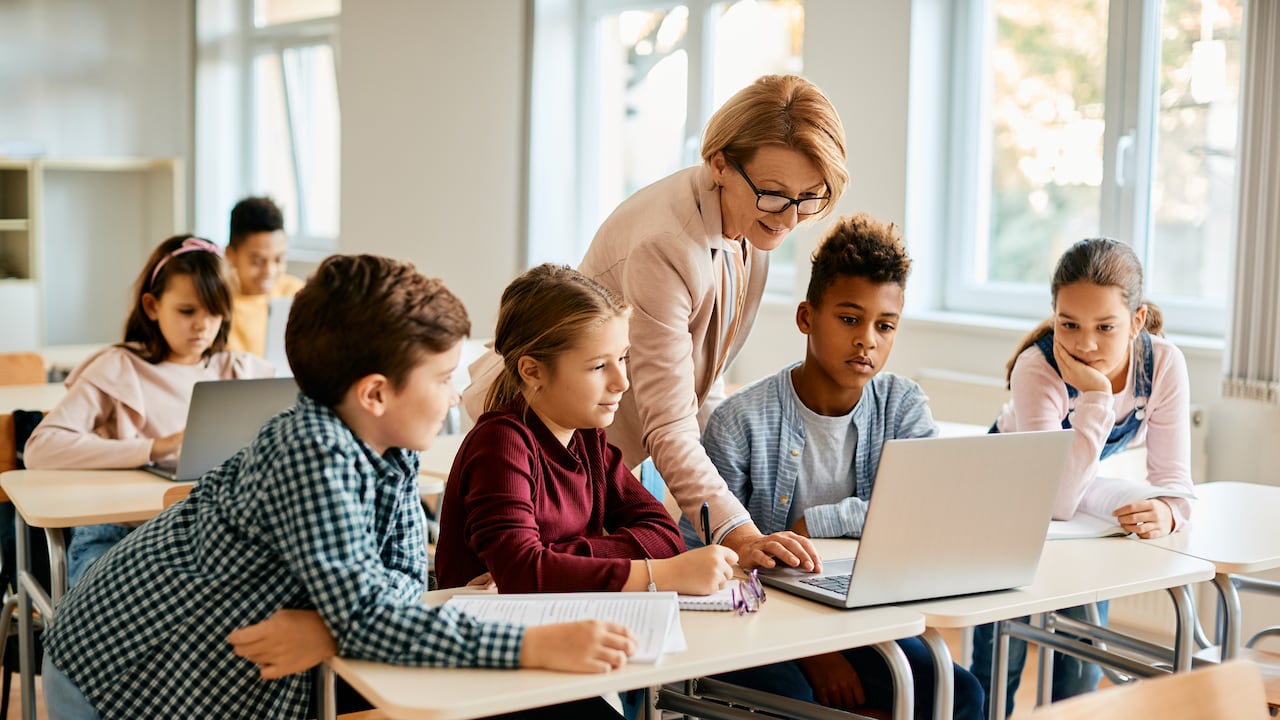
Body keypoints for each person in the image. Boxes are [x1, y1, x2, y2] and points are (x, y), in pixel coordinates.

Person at [39, 254, 639, 720]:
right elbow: (378, 614)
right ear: (375, 394)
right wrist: (533, 644)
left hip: (223, 676)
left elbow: (402, 588)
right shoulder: (311, 451)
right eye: (440, 378)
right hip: (119, 675)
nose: (456, 396)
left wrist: (336, 628)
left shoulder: (394, 449)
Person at [465, 74, 848, 573]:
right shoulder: (666, 243)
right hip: (540, 443)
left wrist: (739, 518)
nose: (790, 218)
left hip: (598, 455)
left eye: (810, 197)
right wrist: (738, 530)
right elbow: (669, 421)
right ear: (720, 165)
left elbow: (699, 391)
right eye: (775, 194)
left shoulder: (755, 225)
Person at [698, 214, 985, 719]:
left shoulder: (902, 406)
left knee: (959, 691)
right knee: (799, 702)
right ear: (807, 317)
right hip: (761, 623)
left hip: (861, 616)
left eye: (885, 325)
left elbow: (924, 512)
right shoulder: (740, 422)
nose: (867, 340)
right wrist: (816, 653)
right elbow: (703, 553)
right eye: (849, 319)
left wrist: (820, 522)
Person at [970, 237, 1194, 715]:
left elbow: (1174, 480)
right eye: (1068, 323)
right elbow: (1054, 499)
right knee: (999, 663)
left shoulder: (1164, 364)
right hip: (1008, 494)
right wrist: (1094, 396)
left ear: (1136, 321)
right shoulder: (1038, 368)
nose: (1085, 343)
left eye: (1106, 326)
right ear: (1053, 313)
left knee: (1079, 658)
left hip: (1071, 496)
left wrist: (1168, 512)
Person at [436, 263, 737, 596]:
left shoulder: (587, 438)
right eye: (598, 366)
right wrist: (659, 574)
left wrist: (551, 563)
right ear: (532, 371)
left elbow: (665, 535)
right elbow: (522, 573)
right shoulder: (501, 444)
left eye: (623, 358)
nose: (622, 382)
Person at [24, 234, 274, 584]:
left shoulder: (241, 371)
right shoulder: (116, 367)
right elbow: (40, 449)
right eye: (187, 311)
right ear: (152, 306)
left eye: (215, 312)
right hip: (118, 536)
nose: (203, 325)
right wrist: (155, 447)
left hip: (204, 536)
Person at [224, 196, 306, 357]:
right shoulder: (219, 304)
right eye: (258, 261)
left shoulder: (296, 293)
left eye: (278, 259)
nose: (269, 271)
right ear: (231, 255)